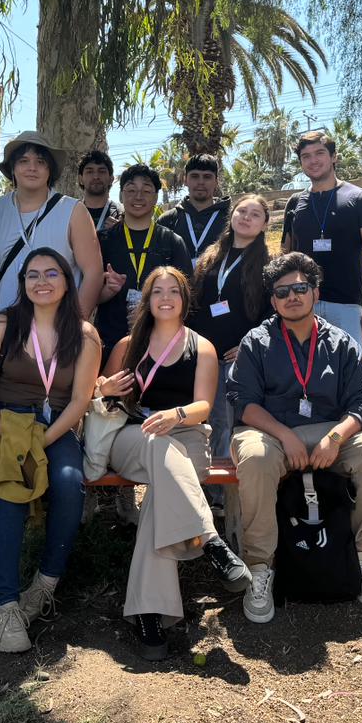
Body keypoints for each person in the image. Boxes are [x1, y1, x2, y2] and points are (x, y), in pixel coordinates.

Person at [228, 252, 362, 624]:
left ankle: (357, 554)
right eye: (283, 291)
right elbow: (243, 402)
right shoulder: (256, 342)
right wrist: (284, 435)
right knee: (254, 458)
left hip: (327, 432)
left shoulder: (340, 342)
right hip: (268, 432)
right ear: (273, 301)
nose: (293, 296)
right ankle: (260, 566)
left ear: (315, 293)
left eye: (300, 288)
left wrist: (336, 437)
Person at [97, 268, 250, 660]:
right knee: (154, 442)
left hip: (186, 437)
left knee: (158, 502)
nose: (165, 298)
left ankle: (151, 616)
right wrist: (104, 387)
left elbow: (204, 406)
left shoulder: (203, 347)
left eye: (173, 291)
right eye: (157, 291)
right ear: (147, 300)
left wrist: (176, 415)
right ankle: (209, 539)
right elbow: (99, 394)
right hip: (132, 439)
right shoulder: (128, 345)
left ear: (185, 300)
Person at [0, 247, 102, 653]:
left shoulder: (85, 334)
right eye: (33, 275)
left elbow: (80, 400)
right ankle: (5, 607)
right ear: (22, 284)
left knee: (68, 481)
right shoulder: (4, 325)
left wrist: (39, 441)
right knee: (10, 488)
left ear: (67, 281)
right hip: (2, 422)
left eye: (52, 274)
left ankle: (44, 585)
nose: (42, 282)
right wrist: (8, 431)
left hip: (54, 427)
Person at [187, 193, 272, 469]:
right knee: (208, 420)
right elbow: (195, 304)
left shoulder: (269, 263)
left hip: (240, 356)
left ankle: (229, 492)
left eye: (255, 214)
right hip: (206, 355)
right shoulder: (211, 257)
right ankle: (208, 488)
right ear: (232, 216)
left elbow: (272, 314)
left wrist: (250, 344)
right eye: (242, 211)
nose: (246, 217)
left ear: (264, 224)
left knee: (231, 421)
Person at [0, 130, 104, 315]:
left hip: (58, 330)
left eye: (40, 162)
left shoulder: (73, 211)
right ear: (12, 168)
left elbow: (93, 273)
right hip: (3, 329)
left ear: (50, 169)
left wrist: (75, 325)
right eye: (23, 161)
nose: (32, 168)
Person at [281, 131, 362, 346]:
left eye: (319, 153)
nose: (313, 160)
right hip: (302, 304)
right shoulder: (294, 203)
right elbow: (285, 258)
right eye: (306, 156)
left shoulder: (360, 199)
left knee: (349, 376)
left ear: (334, 157)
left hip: (346, 307)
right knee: (302, 376)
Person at [96, 163, 192, 363]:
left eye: (146, 190)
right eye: (131, 190)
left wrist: (152, 310)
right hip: (109, 342)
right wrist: (106, 292)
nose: (138, 197)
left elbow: (187, 298)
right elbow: (84, 293)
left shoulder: (172, 242)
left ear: (156, 197)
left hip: (160, 345)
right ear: (121, 195)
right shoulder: (101, 240)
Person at [157, 154, 229, 260]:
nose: (201, 182)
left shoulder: (230, 219)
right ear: (185, 180)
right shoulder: (168, 220)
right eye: (195, 176)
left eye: (207, 177)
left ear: (216, 181)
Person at [77, 149, 122, 232]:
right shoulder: (70, 213)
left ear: (111, 179)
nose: (96, 176)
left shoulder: (121, 215)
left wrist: (120, 233)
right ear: (80, 179)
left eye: (101, 171)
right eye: (90, 171)